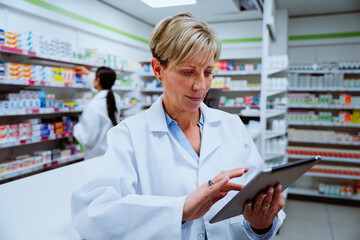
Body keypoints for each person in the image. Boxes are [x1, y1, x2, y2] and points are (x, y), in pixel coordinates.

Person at [71, 13, 285, 239]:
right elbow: (93, 215)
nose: (201, 86)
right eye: (188, 72)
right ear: (158, 69)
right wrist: (180, 210)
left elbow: (259, 200)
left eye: (208, 72)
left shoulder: (232, 126)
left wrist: (260, 225)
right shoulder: (129, 136)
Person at [73, 66, 121, 159]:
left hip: (96, 155)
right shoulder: (115, 99)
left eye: (94, 77)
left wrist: (77, 127)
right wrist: (88, 74)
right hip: (110, 151)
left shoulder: (94, 105)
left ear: (98, 80)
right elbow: (101, 88)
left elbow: (87, 138)